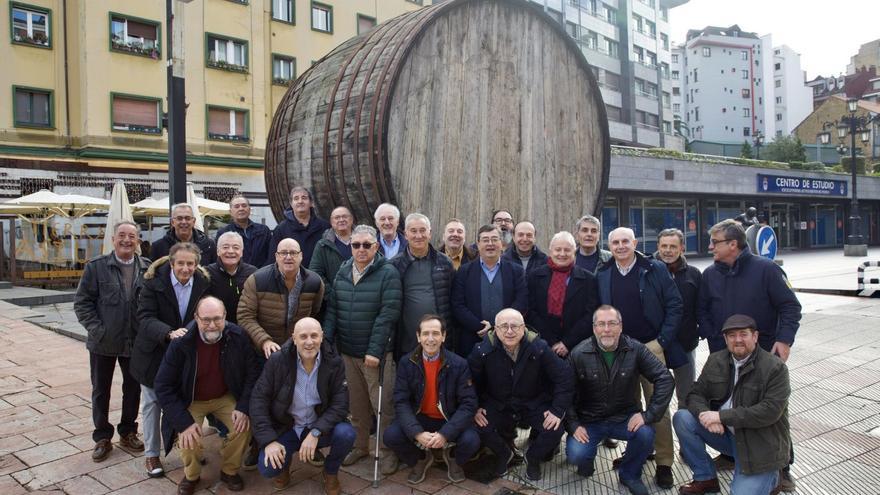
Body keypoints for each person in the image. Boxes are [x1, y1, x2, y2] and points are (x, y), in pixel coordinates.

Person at [698, 219, 801, 491]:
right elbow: (703, 310)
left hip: (763, 354)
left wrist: (784, 340)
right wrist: (713, 339)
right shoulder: (710, 274)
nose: (710, 247)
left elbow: (791, 307)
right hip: (724, 355)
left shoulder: (767, 270)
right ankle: (731, 454)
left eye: (715, 242)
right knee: (724, 400)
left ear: (733, 244)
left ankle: (783, 468)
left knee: (774, 411)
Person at [596, 227, 683, 489]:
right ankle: (638, 453)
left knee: (658, 407)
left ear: (634, 242)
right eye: (615, 242)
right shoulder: (603, 274)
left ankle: (664, 462)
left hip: (650, 347)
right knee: (629, 407)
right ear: (609, 246)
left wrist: (662, 342)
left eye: (625, 241)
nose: (621, 246)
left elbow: (675, 305)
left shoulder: (654, 269)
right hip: (619, 351)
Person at [674, 314, 790, 495]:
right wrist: (706, 414)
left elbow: (770, 411)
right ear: (725, 339)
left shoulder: (775, 368)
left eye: (743, 334)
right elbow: (696, 393)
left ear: (755, 336)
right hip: (727, 435)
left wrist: (721, 416)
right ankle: (706, 478)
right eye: (732, 335)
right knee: (683, 418)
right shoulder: (717, 360)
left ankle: (773, 476)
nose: (738, 340)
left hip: (759, 445)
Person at [153, 297, 259, 495]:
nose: (212, 325)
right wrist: (183, 423)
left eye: (217, 319)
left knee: (244, 427)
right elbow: (163, 385)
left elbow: (253, 373)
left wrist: (243, 407)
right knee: (189, 436)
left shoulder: (237, 336)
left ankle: (229, 470)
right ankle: (192, 475)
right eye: (206, 319)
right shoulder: (181, 343)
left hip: (224, 396)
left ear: (226, 316)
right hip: (191, 400)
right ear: (196, 317)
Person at [565, 305, 674, 495]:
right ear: (594, 328)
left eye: (612, 323)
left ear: (621, 326)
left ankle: (630, 474)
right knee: (576, 453)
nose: (606, 329)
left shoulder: (635, 349)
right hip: (590, 420)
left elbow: (665, 378)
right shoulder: (578, 353)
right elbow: (565, 392)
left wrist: (648, 415)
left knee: (646, 434)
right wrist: (574, 425)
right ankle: (587, 459)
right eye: (601, 324)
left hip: (624, 417)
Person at [322, 224, 402, 474]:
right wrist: (327, 340)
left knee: (383, 407)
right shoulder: (343, 271)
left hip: (375, 355)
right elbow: (334, 309)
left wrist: (375, 351)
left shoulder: (388, 272)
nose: (361, 249)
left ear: (376, 247)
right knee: (356, 406)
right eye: (356, 245)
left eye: (367, 245)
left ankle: (388, 451)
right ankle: (360, 446)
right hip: (347, 351)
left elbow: (388, 314)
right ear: (350, 247)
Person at [132, 243, 211, 478]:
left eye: (190, 263)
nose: (185, 268)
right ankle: (151, 454)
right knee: (152, 404)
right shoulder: (153, 282)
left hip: (185, 354)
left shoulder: (203, 283)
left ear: (196, 265)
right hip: (154, 352)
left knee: (185, 401)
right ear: (171, 262)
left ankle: (188, 447)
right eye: (181, 263)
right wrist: (168, 332)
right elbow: (145, 317)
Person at [250, 317, 355, 494]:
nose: (309, 342)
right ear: (294, 338)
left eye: (314, 336)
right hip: (287, 427)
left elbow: (340, 403)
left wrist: (316, 431)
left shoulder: (334, 362)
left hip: (317, 426)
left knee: (346, 434)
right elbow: (258, 401)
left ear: (322, 337)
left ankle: (330, 472)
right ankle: (284, 465)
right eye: (303, 336)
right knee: (267, 468)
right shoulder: (277, 361)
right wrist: (269, 441)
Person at [74, 220, 150, 462]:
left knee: (133, 388)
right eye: (122, 236)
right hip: (103, 343)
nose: (127, 240)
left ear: (138, 240)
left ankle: (128, 431)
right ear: (114, 239)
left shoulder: (146, 268)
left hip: (135, 342)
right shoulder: (96, 267)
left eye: (132, 236)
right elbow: (82, 303)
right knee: (101, 390)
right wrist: (97, 330)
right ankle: (102, 437)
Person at [468, 308, 573, 481]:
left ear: (523, 328)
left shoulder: (539, 347)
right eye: (504, 326)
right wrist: (476, 407)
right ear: (495, 329)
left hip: (532, 402)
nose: (509, 331)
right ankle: (504, 454)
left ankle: (533, 458)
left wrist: (557, 410)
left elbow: (565, 377)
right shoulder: (481, 350)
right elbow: (470, 382)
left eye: (515, 326)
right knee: (478, 426)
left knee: (555, 429)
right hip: (498, 403)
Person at [384, 314, 480, 484]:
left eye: (435, 333)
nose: (430, 339)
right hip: (420, 418)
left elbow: (468, 404)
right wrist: (416, 432)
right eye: (425, 333)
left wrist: (446, 433)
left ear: (443, 336)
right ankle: (420, 459)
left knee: (472, 441)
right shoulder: (406, 362)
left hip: (448, 418)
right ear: (418, 336)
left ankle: (453, 458)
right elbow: (401, 401)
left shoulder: (459, 364)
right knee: (391, 436)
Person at [238, 238, 325, 360]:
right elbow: (245, 316)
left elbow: (315, 313)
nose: (288, 257)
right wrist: (264, 341)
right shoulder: (257, 280)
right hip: (264, 352)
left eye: (293, 253)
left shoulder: (315, 282)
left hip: (298, 351)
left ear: (301, 256)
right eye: (283, 253)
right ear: (276, 256)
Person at [451, 225, 528, 357]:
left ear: (501, 243)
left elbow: (522, 301)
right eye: (485, 240)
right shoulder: (464, 271)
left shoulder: (516, 271)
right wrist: (479, 327)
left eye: (494, 239)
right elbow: (458, 305)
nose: (490, 244)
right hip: (472, 339)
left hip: (507, 339)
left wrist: (495, 326)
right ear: (478, 244)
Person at [388, 213, 455, 361]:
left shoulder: (445, 263)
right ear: (405, 234)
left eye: (423, 230)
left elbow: (452, 301)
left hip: (438, 340)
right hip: (407, 340)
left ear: (430, 234)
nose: (418, 235)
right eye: (413, 231)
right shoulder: (394, 265)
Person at [526, 231, 599, 358]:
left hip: (577, 347)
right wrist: (551, 342)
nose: (562, 254)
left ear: (574, 251)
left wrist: (567, 343)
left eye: (567, 250)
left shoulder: (589, 279)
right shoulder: (534, 276)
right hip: (542, 344)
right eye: (557, 249)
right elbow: (531, 312)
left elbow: (590, 315)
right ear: (550, 251)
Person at [656, 228, 702, 405]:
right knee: (658, 397)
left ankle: (686, 429)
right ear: (658, 246)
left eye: (673, 246)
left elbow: (700, 306)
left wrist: (699, 331)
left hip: (685, 345)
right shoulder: (648, 271)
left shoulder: (694, 274)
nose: (668, 250)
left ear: (682, 247)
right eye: (664, 246)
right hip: (657, 345)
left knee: (687, 395)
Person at [269, 186, 330, 268]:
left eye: (304, 198)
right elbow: (273, 259)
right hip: (291, 276)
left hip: (319, 276)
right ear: (291, 204)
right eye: (296, 198)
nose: (300, 201)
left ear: (311, 203)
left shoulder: (324, 226)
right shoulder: (281, 229)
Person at [206, 232, 257, 325]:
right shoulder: (207, 273)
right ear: (218, 251)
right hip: (214, 325)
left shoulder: (252, 273)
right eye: (225, 247)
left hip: (244, 326)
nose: (230, 251)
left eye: (236, 247)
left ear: (241, 252)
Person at [308, 206, 354, 301]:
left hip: (363, 298)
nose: (341, 220)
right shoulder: (323, 245)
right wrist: (330, 294)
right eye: (337, 218)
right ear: (332, 222)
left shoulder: (363, 242)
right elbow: (315, 272)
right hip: (335, 301)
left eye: (344, 216)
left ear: (351, 219)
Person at [150, 203, 217, 266]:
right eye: (179, 218)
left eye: (187, 218)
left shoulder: (208, 245)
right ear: (172, 222)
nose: (184, 222)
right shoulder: (158, 247)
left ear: (193, 221)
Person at [215, 195, 272, 267]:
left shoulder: (264, 231)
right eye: (237, 206)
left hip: (261, 275)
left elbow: (271, 255)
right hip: (236, 275)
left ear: (249, 209)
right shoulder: (223, 233)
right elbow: (219, 257)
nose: (241, 208)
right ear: (230, 212)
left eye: (244, 205)